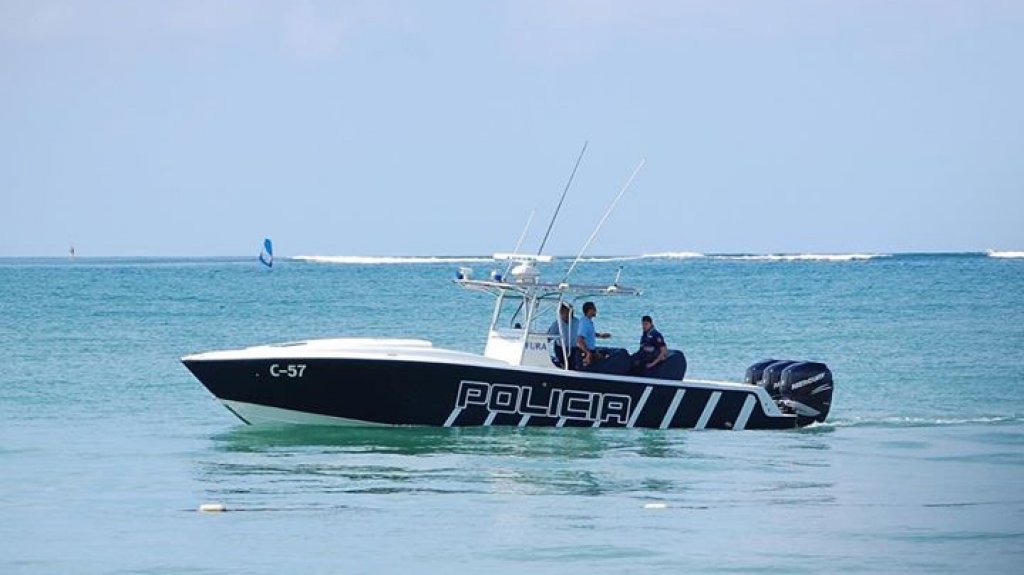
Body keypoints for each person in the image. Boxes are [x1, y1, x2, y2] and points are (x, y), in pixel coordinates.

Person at [576, 301, 611, 368]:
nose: (596, 311)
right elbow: (580, 340)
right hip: (585, 352)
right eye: (594, 309)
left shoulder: (588, 321)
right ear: (589, 310)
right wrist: (588, 353)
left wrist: (600, 335)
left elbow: (588, 333)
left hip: (591, 350)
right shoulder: (584, 323)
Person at [547, 302, 579, 368]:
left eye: (569, 312)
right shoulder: (557, 323)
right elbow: (549, 337)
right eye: (564, 312)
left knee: (574, 365)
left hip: (574, 348)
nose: (567, 314)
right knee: (562, 364)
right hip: (560, 348)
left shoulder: (577, 322)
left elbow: (584, 333)